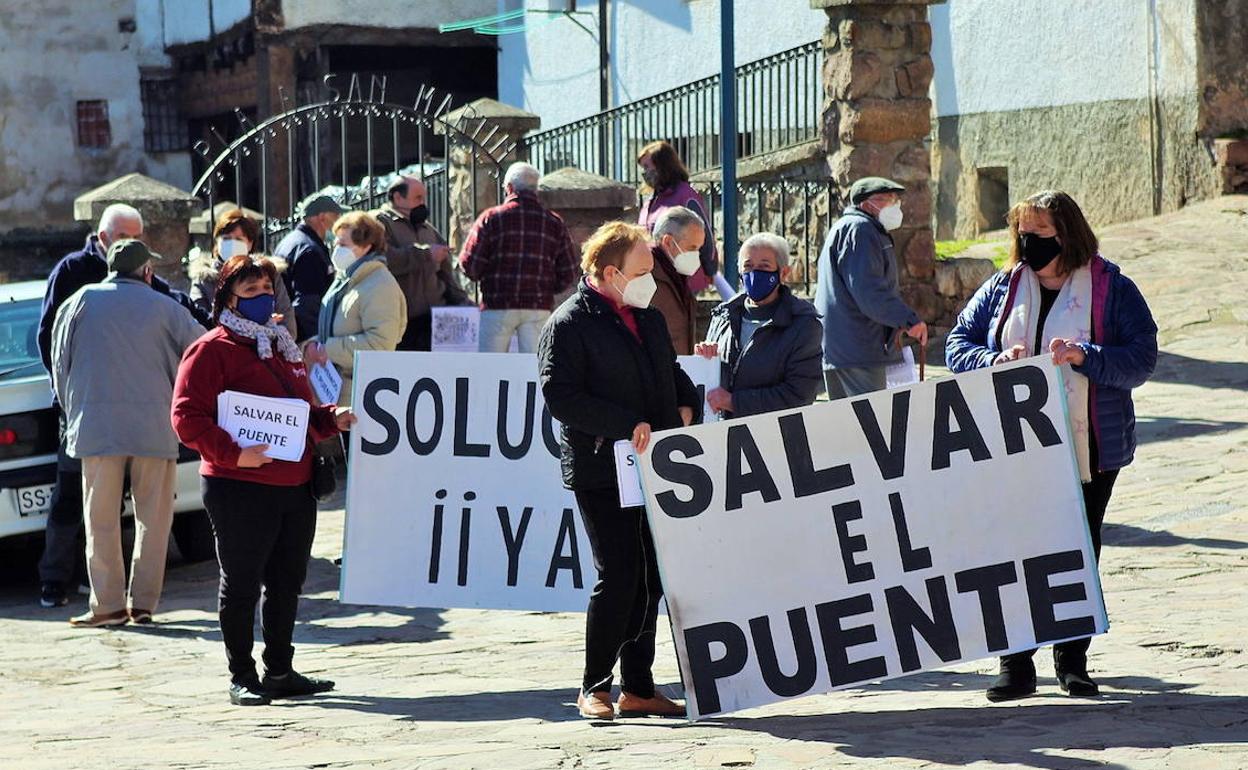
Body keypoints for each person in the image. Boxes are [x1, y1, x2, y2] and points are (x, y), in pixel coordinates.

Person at [946, 190, 1157, 702]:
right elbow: (958, 345)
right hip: (1013, 448)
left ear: (1067, 235)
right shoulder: (1002, 287)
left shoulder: (1111, 288)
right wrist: (992, 360)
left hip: (1091, 449)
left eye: (1040, 234)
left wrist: (1085, 355)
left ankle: (1071, 661)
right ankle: (1015, 664)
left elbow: (1141, 358)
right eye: (1023, 233)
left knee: (1078, 550)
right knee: (1014, 550)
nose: (1028, 242)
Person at [172, 254, 354, 706]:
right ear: (228, 298)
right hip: (239, 485)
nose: (262, 298)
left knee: (288, 579)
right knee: (242, 581)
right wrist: (234, 453)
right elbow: (186, 416)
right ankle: (242, 676)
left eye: (266, 290)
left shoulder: (283, 346)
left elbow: (299, 413)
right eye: (250, 292)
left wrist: (333, 419)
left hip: (295, 483)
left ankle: (280, 669)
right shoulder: (211, 348)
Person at [538, 221, 700, 720]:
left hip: (653, 468)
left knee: (650, 576)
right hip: (600, 468)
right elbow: (561, 397)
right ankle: (595, 685)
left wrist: (687, 406)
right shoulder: (567, 324)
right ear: (611, 273)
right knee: (620, 574)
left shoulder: (647, 317)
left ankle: (639, 686)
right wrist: (626, 424)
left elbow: (669, 373)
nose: (652, 278)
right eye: (642, 271)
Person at [34, 203, 208, 609]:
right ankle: (136, 602)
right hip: (148, 422)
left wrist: (72, 399)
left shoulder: (79, 301)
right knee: (149, 518)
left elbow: (57, 356)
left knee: (100, 518)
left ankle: (108, 605)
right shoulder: (155, 300)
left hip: (93, 421)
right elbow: (200, 348)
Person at [814, 176, 928, 399]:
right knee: (871, 423)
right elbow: (869, 292)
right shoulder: (862, 230)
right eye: (887, 199)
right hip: (859, 347)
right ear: (867, 204)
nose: (894, 205)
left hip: (842, 347)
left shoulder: (846, 228)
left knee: (847, 425)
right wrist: (909, 320)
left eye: (896, 200)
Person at [695, 233, 823, 418]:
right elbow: (709, 383)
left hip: (772, 437)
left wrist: (733, 402)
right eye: (748, 266)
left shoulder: (803, 324)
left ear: (783, 273)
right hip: (723, 434)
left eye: (764, 266)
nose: (754, 274)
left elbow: (799, 395)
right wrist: (706, 359)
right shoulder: (723, 316)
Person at [458, 162, 578, 353]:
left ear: (509, 188)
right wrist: (546, 287)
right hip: (538, 305)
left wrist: (485, 278)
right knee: (533, 367)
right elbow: (569, 271)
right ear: (535, 189)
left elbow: (469, 264)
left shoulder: (491, 218)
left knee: (490, 367)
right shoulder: (553, 222)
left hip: (497, 304)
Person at [302, 211, 406, 406]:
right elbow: (336, 328)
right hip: (333, 391)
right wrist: (313, 345)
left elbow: (380, 345)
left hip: (359, 397)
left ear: (366, 247)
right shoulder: (345, 280)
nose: (336, 249)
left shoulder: (380, 285)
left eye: (343, 245)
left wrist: (327, 350)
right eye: (336, 243)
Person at [374, 176, 465, 351]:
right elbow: (385, 259)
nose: (423, 203)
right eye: (418, 198)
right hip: (401, 322)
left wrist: (462, 302)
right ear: (398, 198)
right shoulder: (380, 223)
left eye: (423, 197)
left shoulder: (427, 229)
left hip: (433, 320)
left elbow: (446, 273)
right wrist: (424, 254)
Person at [636, 140, 731, 300]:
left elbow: (704, 233)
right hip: (656, 279)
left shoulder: (686, 195)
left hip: (683, 279)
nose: (645, 173)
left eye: (647, 166)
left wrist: (710, 268)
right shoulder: (650, 202)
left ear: (662, 165)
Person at [189, 209, 297, 337]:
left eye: (239, 239)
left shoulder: (268, 274)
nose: (232, 244)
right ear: (217, 242)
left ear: (250, 244)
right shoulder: (204, 277)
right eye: (226, 238)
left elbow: (287, 323)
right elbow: (198, 323)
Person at [275, 195, 348, 342]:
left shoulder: (289, 242)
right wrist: (314, 342)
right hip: (304, 337)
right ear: (322, 217)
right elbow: (307, 304)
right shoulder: (310, 250)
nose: (339, 223)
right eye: (336, 216)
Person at [648, 206, 705, 356]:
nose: (696, 255)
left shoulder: (676, 275)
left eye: (699, 249)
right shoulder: (644, 276)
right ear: (668, 242)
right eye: (692, 247)